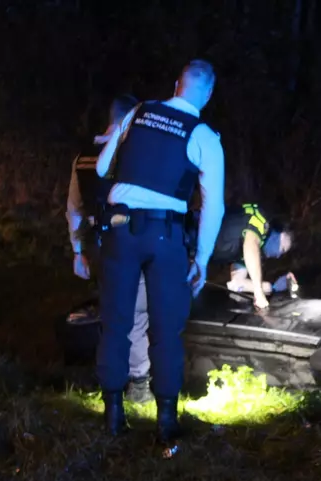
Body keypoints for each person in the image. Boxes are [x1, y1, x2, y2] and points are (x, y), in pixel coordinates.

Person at [94, 59, 226, 443]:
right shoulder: (204, 136)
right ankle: (166, 421)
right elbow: (213, 205)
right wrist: (201, 259)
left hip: (120, 230)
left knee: (116, 323)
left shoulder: (139, 112)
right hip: (166, 236)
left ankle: (113, 416)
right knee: (166, 329)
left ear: (176, 84)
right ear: (208, 94)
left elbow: (103, 168)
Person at [65, 94, 153, 405]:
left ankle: (111, 378)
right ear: (129, 120)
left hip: (98, 247)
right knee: (136, 312)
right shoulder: (129, 153)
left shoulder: (84, 156)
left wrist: (78, 250)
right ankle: (139, 382)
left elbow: (74, 208)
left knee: (112, 310)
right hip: (126, 241)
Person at [211, 203, 294, 309]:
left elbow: (236, 284)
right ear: (280, 234)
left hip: (191, 255)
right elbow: (251, 245)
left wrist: (271, 287)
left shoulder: (245, 252)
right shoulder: (261, 219)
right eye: (282, 249)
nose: (278, 256)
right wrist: (259, 293)